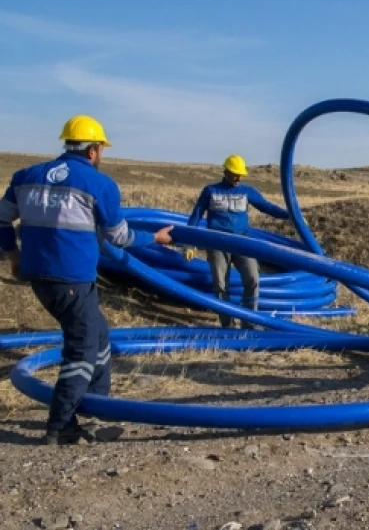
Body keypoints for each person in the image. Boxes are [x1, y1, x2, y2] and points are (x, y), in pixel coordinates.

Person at [0, 114, 174, 445]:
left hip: (39, 276)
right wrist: (157, 239)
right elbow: (119, 237)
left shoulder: (26, 176)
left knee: (99, 335)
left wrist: (14, 257)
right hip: (72, 279)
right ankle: (61, 425)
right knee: (81, 348)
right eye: (101, 150)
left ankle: (96, 407)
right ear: (93, 150)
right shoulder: (99, 185)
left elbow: (2, 220)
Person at [183, 154, 290, 329]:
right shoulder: (210, 191)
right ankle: (228, 325)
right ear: (225, 171)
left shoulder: (247, 191)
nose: (238, 178)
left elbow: (268, 207)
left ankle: (249, 323)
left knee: (252, 279)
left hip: (242, 242)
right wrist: (189, 241)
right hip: (217, 243)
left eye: (241, 174)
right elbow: (196, 215)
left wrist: (290, 216)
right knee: (220, 285)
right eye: (234, 174)